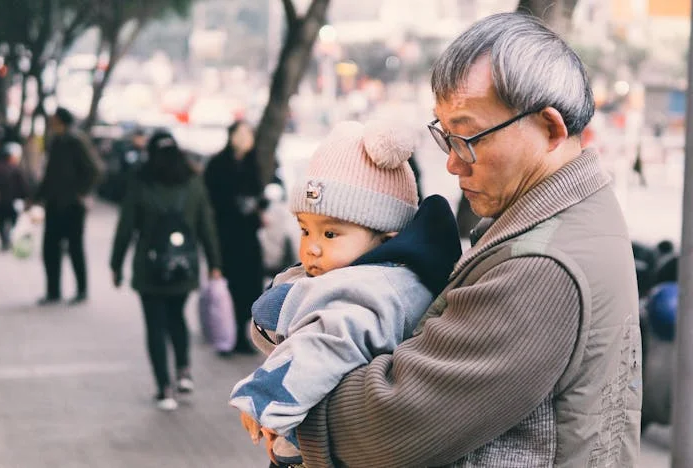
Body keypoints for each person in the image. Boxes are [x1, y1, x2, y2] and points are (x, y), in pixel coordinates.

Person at [295, 13, 642, 467]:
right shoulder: (579, 213)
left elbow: (392, 428)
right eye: (446, 137)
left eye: (467, 137)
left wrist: (289, 392)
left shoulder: (542, 266)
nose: (454, 165)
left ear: (551, 128)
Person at [229, 120, 462, 467]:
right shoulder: (361, 274)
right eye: (306, 230)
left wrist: (265, 397)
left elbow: (329, 340)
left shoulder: (374, 289)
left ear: (386, 236)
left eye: (331, 234)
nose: (312, 249)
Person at [110, 130, 222, 411]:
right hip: (184, 268)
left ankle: (164, 388)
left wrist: (115, 264)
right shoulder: (193, 182)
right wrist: (215, 263)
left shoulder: (140, 183)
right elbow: (206, 226)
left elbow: (125, 227)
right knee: (177, 318)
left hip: (149, 269)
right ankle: (183, 371)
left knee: (155, 326)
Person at [204, 120, 266, 354]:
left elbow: (260, 192)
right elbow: (212, 199)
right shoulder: (218, 164)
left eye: (249, 134)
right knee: (227, 286)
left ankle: (243, 333)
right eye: (242, 133)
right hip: (226, 234)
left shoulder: (252, 164)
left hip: (248, 236)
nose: (246, 138)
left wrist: (257, 207)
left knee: (249, 286)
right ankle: (224, 335)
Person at [34, 107, 102, 306]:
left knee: (75, 248)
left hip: (72, 205)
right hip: (54, 204)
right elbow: (50, 175)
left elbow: (95, 170)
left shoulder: (75, 141)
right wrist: (37, 197)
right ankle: (53, 291)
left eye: (54, 120)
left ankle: (81, 290)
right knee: (50, 250)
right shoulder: (56, 141)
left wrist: (81, 192)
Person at [0, 142, 30, 251]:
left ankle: (5, 240)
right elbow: (23, 187)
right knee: (13, 221)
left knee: (0, 222)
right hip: (12, 202)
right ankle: (8, 239)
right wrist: (27, 199)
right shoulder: (16, 170)